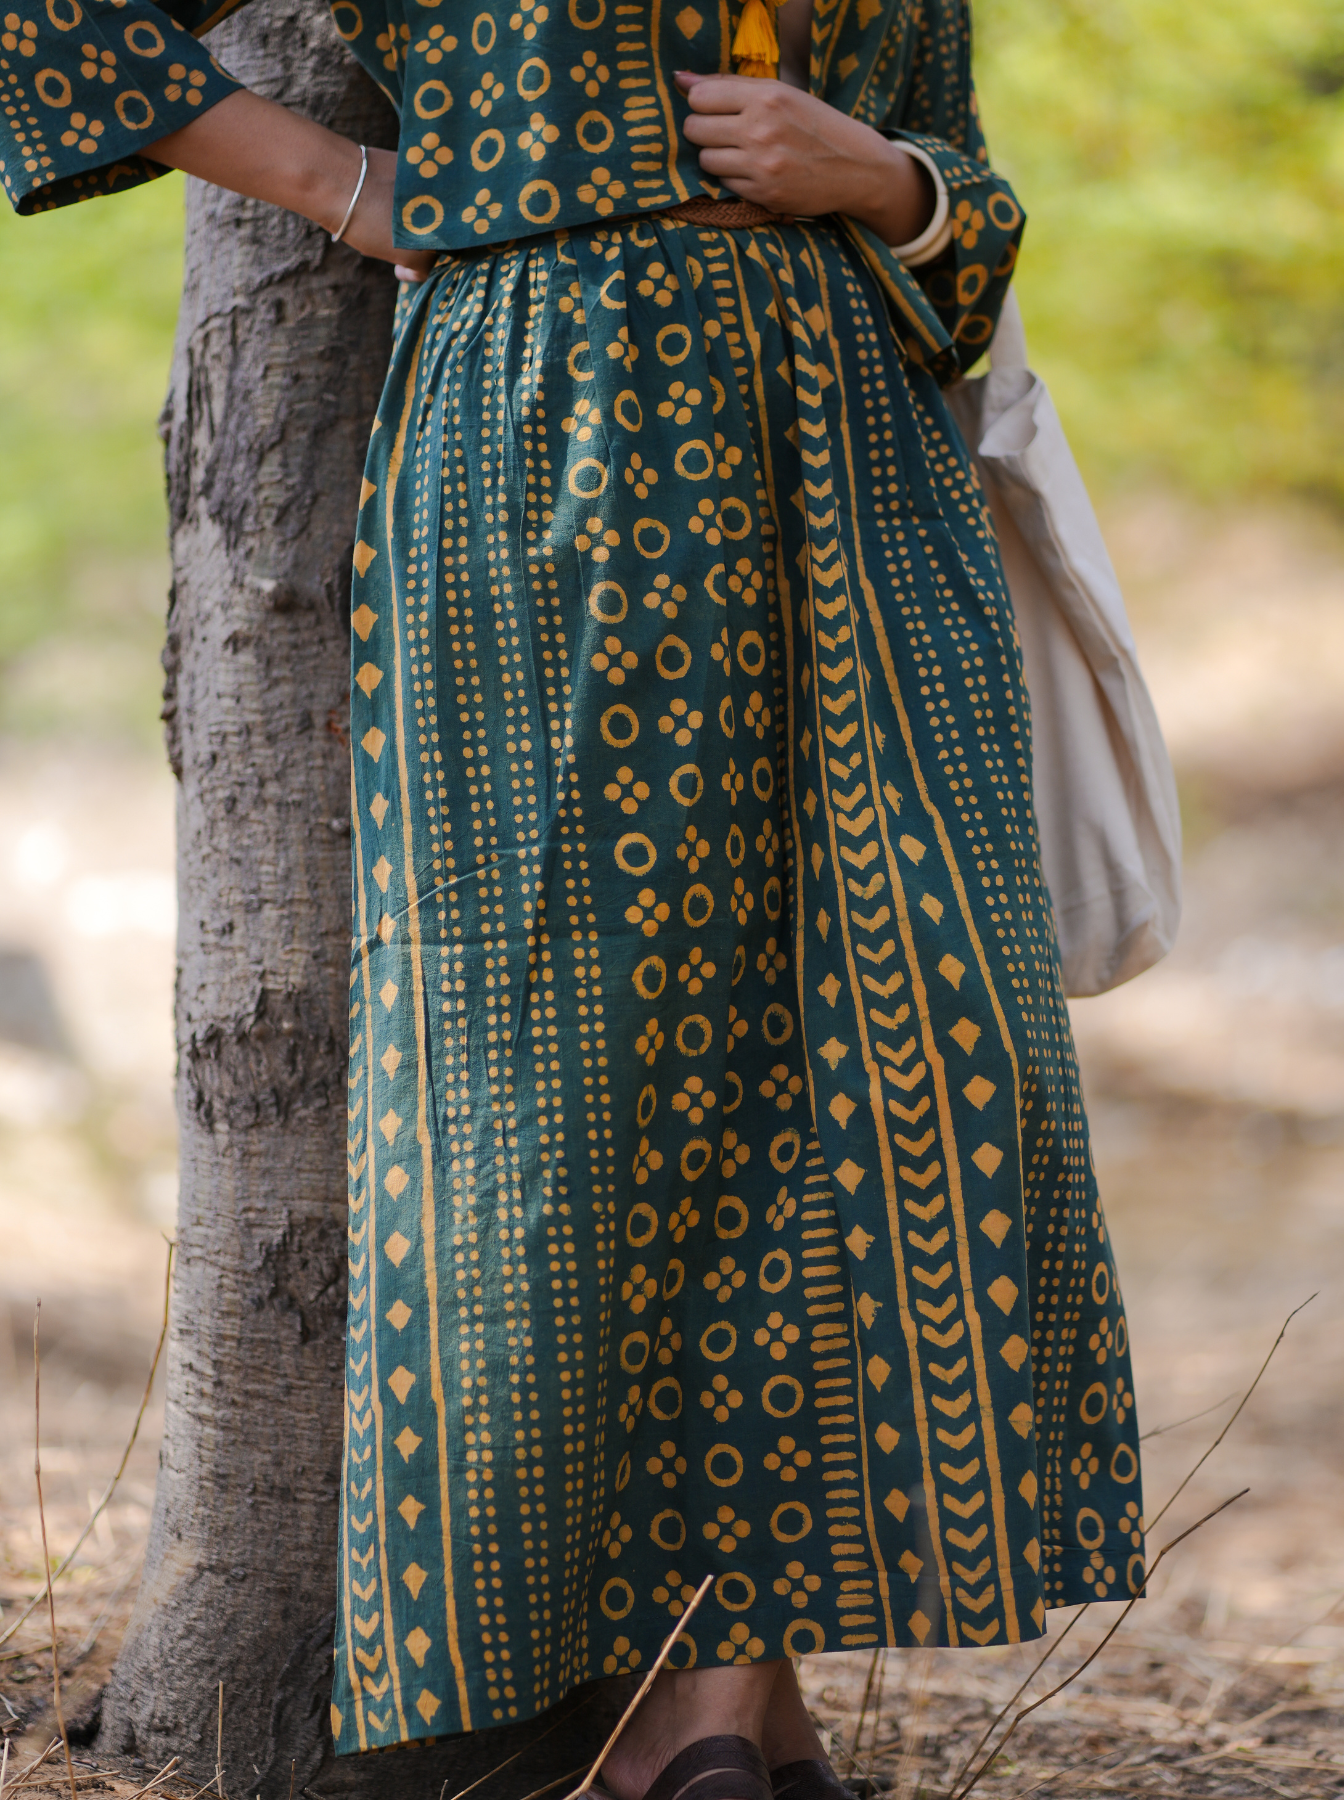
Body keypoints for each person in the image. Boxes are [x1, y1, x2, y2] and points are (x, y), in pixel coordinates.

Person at [2, 0, 1144, 1792]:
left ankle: (704, 1716)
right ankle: (658, 1719)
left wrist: (895, 178)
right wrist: (344, 180)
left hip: (862, 486)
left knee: (897, 1046)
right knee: (572, 1095)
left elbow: (962, 234)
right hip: (551, 454)